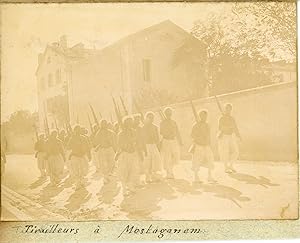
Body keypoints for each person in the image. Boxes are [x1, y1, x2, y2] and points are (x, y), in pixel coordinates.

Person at [190, 110, 216, 183]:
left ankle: (209, 176)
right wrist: (199, 137)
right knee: (196, 161)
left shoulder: (207, 125)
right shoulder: (195, 125)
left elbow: (208, 135)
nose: (204, 117)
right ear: (200, 116)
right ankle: (196, 177)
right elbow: (192, 135)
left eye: (205, 116)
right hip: (198, 145)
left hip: (207, 145)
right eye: (202, 116)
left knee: (210, 159)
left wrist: (210, 144)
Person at [117, 116, 139, 196]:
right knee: (124, 172)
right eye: (127, 122)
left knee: (133, 170)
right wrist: (126, 148)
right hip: (125, 154)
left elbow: (136, 142)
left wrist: (134, 147)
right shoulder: (121, 133)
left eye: (130, 122)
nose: (129, 124)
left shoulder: (134, 131)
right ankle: (124, 189)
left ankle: (130, 186)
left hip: (133, 154)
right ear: (125, 123)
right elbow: (120, 145)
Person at [218, 103, 241, 173]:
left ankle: (231, 165)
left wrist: (238, 135)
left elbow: (235, 127)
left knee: (236, 152)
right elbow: (220, 128)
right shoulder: (221, 118)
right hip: (224, 136)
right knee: (225, 152)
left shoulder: (231, 118)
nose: (228, 110)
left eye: (230, 109)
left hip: (231, 136)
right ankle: (225, 167)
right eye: (227, 109)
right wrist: (228, 127)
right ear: (225, 109)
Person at [160, 107, 182, 179]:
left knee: (176, 157)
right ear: (165, 114)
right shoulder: (162, 123)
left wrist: (180, 141)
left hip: (173, 141)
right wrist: (167, 130)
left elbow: (177, 132)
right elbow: (161, 132)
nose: (169, 115)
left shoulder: (173, 122)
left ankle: (170, 170)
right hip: (166, 141)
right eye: (167, 113)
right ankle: (169, 173)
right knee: (167, 157)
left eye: (170, 113)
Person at [94, 119, 117, 184]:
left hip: (110, 149)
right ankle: (105, 177)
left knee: (112, 163)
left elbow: (114, 142)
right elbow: (96, 142)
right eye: (102, 124)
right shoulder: (98, 133)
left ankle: (109, 174)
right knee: (103, 164)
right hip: (102, 150)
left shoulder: (111, 132)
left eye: (105, 123)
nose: (104, 125)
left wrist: (115, 150)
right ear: (101, 125)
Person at [142, 111, 162, 183]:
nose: (151, 119)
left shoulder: (155, 127)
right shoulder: (143, 127)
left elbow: (157, 138)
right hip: (146, 146)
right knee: (147, 162)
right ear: (146, 118)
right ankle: (147, 177)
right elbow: (142, 139)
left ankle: (155, 177)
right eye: (149, 117)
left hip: (154, 146)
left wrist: (158, 145)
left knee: (155, 161)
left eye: (152, 118)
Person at [133, 114, 147, 185]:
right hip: (133, 150)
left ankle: (140, 180)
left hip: (140, 148)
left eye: (139, 120)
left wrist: (145, 149)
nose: (138, 121)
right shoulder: (131, 129)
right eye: (136, 120)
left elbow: (143, 139)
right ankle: (135, 181)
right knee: (135, 165)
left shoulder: (140, 129)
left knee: (141, 164)